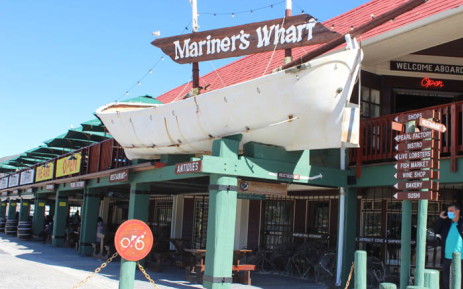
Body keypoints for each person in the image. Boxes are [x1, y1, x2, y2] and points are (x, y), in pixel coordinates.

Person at [434, 203, 463, 289]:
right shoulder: (446, 223)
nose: (449, 213)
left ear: (458, 211)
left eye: (451, 211)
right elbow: (436, 230)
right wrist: (441, 218)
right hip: (447, 257)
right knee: (446, 281)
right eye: (448, 211)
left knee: (459, 282)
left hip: (460, 259)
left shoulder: (461, 223)